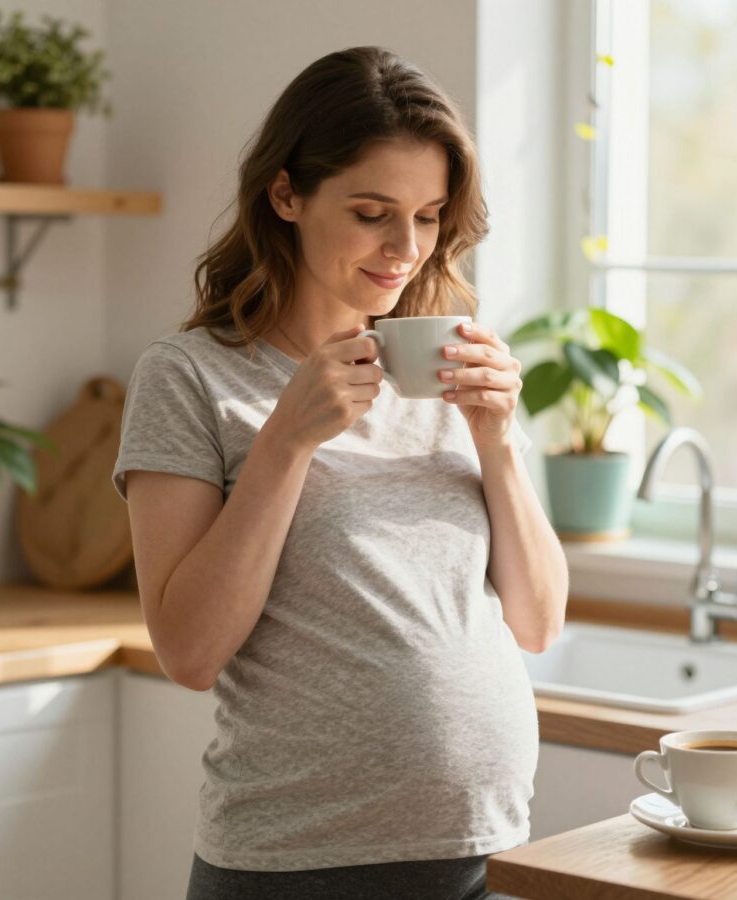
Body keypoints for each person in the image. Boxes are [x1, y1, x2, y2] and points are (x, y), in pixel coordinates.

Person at [112, 46, 568, 900]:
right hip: (296, 868)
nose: (406, 248)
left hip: (486, 855)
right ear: (286, 194)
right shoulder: (189, 377)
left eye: (429, 216)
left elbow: (539, 621)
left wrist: (498, 443)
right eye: (371, 213)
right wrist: (286, 442)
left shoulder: (446, 369)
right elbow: (190, 652)